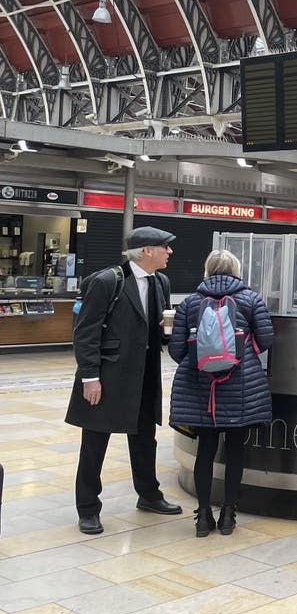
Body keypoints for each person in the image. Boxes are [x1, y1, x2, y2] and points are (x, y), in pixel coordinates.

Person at [67, 226, 183, 535]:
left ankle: (148, 494)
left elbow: (157, 330)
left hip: (144, 376)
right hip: (107, 376)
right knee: (94, 444)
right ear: (146, 251)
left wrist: (168, 330)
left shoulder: (161, 282)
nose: (169, 252)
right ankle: (88, 508)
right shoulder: (108, 281)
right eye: (164, 247)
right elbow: (85, 332)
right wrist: (90, 377)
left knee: (145, 438)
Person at [168, 250, 275, 537]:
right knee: (235, 451)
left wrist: (203, 360)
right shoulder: (251, 300)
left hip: (202, 388)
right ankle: (228, 515)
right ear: (237, 270)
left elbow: (177, 350)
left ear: (208, 269)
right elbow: (266, 339)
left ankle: (203, 516)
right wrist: (243, 356)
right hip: (242, 385)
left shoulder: (190, 302)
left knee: (206, 450)